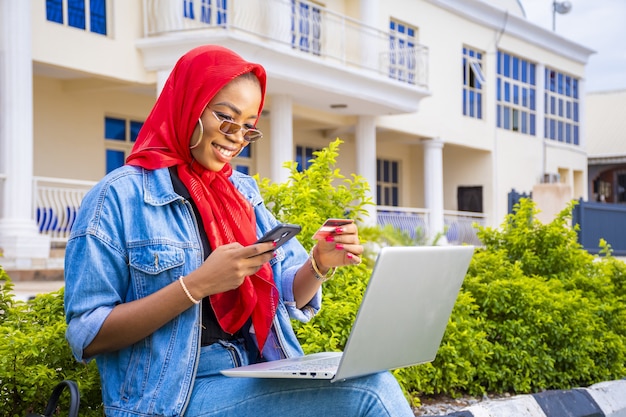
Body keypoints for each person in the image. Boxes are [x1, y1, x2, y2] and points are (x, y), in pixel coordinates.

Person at [64, 44, 414, 417]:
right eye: (227, 118)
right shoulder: (117, 197)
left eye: (248, 127)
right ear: (189, 104)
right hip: (174, 396)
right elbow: (88, 334)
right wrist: (195, 285)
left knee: (364, 372)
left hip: (257, 369)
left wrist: (318, 264)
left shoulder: (241, 192)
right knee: (370, 392)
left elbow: (284, 292)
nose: (236, 137)